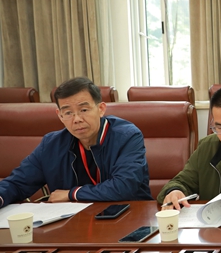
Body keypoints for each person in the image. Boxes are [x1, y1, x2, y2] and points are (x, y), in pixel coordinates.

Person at [0, 77, 152, 207]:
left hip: (127, 215)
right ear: (60, 116)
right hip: (72, 222)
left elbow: (123, 187)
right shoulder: (51, 144)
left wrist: (71, 194)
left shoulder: (127, 136)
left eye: (84, 110)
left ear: (101, 109)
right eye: (68, 113)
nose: (77, 119)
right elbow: (17, 183)